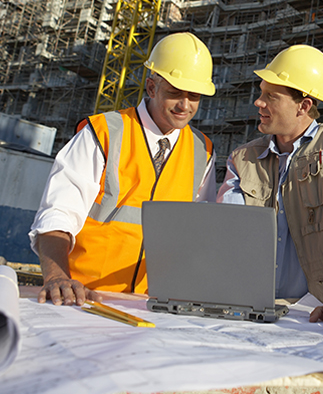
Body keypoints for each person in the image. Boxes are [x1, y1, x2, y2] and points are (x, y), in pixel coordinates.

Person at [29, 32, 217, 306]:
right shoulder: (104, 132)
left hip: (155, 306)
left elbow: (197, 235)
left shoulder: (203, 149)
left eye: (195, 95)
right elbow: (57, 215)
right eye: (175, 93)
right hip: (83, 300)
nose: (185, 105)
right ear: (152, 88)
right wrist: (56, 277)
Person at [217, 45, 323, 329]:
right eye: (261, 93)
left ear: (303, 106)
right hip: (253, 311)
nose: (259, 102)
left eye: (271, 96)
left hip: (320, 313)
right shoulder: (242, 158)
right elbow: (225, 230)